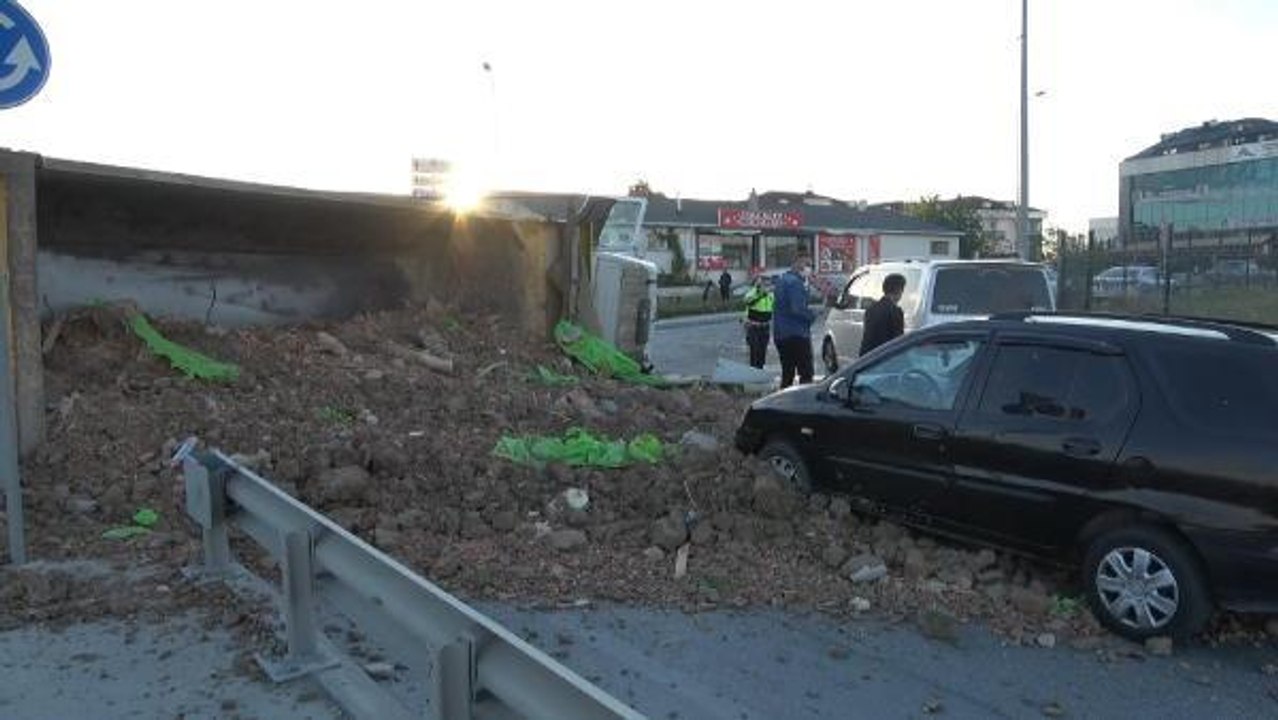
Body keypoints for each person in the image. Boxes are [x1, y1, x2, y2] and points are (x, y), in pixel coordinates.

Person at [772, 254, 817, 388]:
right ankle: (803, 404)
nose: (811, 270)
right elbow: (797, 309)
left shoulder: (782, 280)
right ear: (801, 267)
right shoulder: (795, 283)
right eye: (810, 266)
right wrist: (811, 316)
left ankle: (783, 402)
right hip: (797, 333)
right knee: (806, 372)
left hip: (781, 333)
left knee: (787, 372)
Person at [859, 273, 907, 355]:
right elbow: (898, 341)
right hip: (885, 358)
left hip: (869, 358)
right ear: (899, 290)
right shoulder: (896, 312)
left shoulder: (871, 310)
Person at [742, 276, 774, 369]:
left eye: (767, 284)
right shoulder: (752, 293)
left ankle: (760, 371)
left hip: (765, 327)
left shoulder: (770, 295)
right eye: (762, 284)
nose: (766, 286)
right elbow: (747, 301)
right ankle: (753, 371)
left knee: (762, 351)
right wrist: (759, 295)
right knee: (754, 351)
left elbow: (775, 306)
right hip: (753, 327)